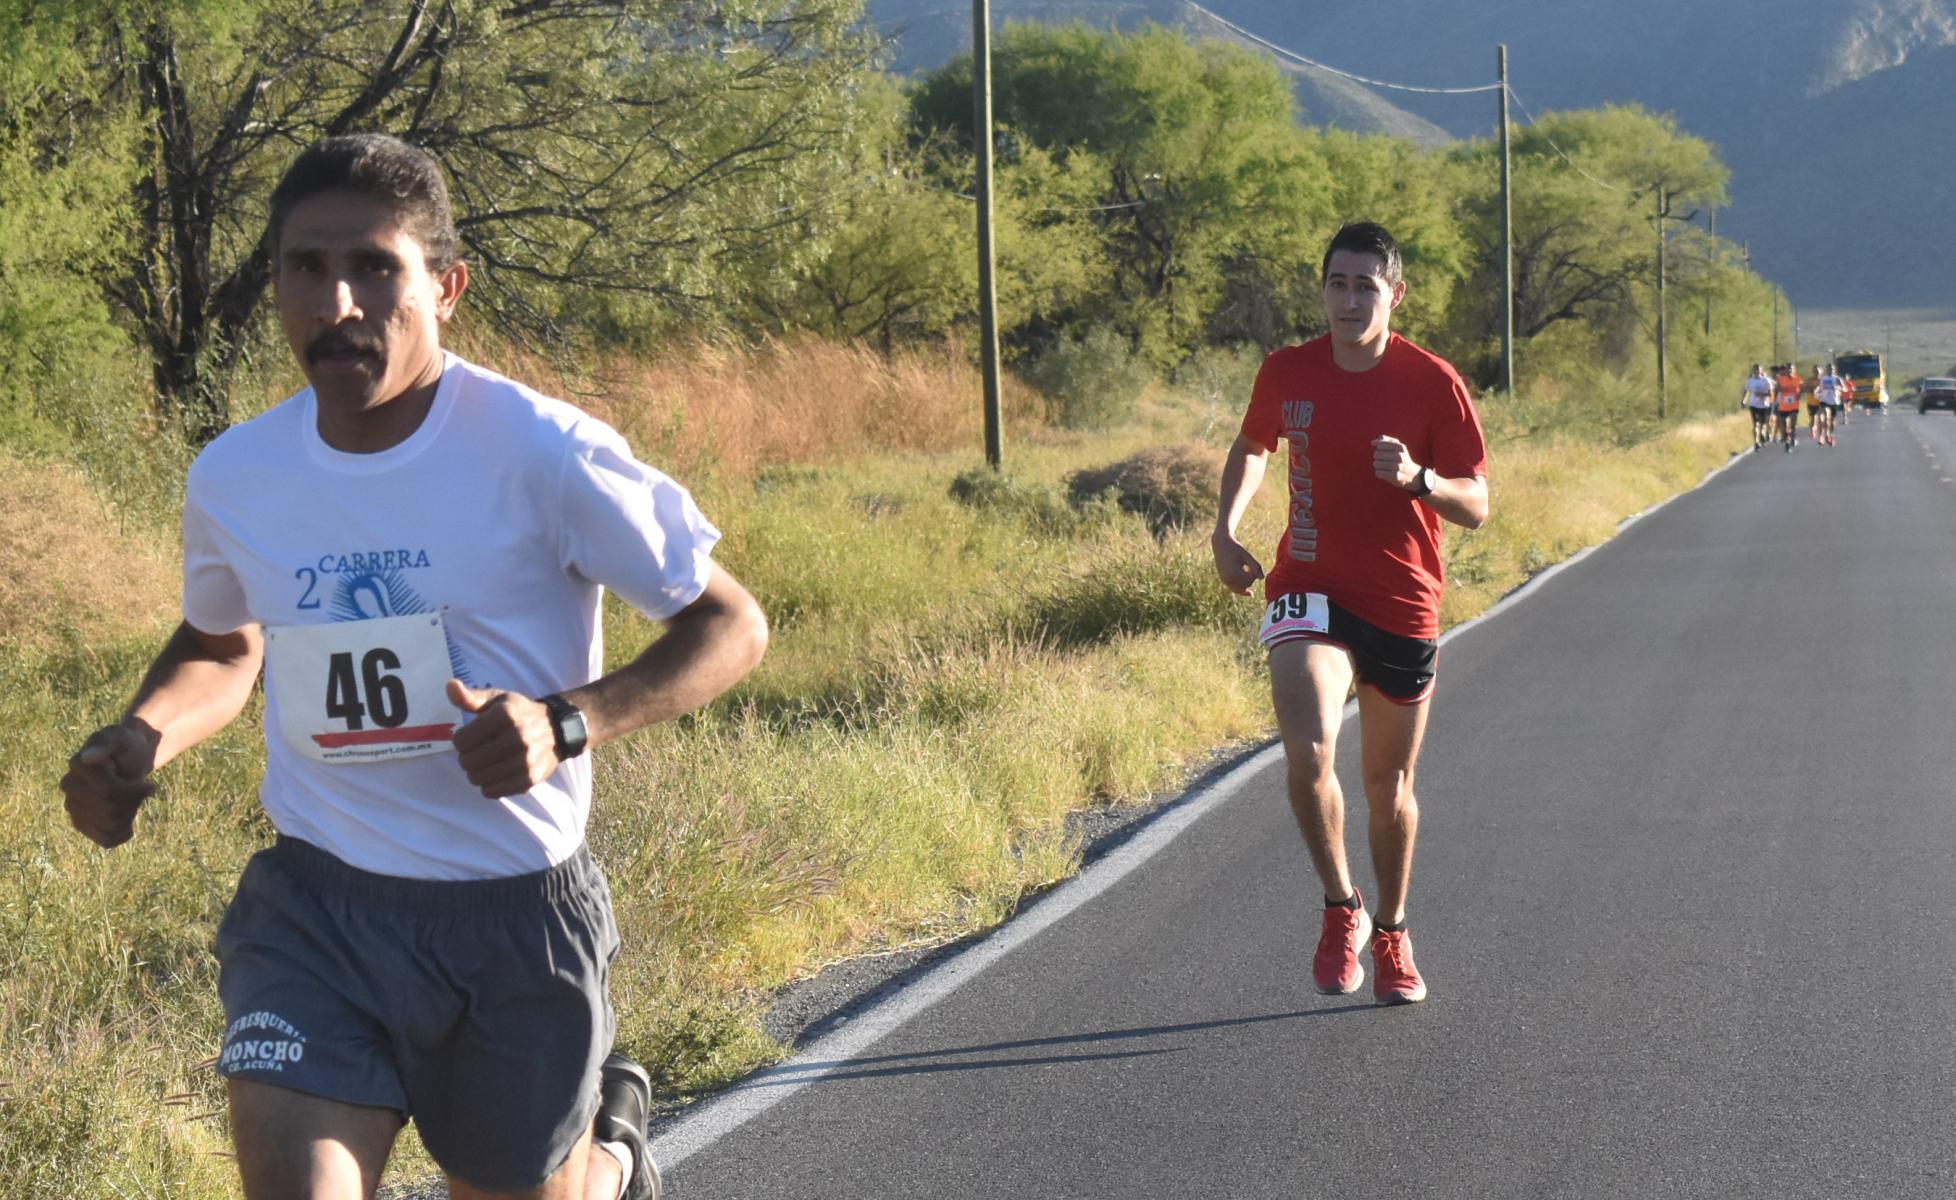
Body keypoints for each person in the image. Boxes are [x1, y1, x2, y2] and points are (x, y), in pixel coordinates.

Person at [57, 134, 769, 1200]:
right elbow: (222, 642)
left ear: (445, 285)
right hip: (317, 910)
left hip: (512, 919)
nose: (336, 301)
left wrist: (564, 722)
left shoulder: (546, 453)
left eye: (375, 267)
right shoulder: (239, 474)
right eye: (305, 267)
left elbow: (730, 627)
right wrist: (143, 736)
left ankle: (611, 1158)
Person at [1211, 221, 1489, 1006]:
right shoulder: (1287, 371)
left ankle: (1393, 929)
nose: (1348, 298)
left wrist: (1419, 479)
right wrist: (1225, 530)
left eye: (1366, 285)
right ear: (1322, 289)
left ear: (1395, 294)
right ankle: (1342, 907)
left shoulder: (1433, 382)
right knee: (1307, 751)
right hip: (1310, 588)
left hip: (1402, 599)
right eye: (1337, 282)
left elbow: (1477, 504)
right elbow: (1255, 445)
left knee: (1389, 787)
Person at [1743, 364, 1775, 450]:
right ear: (1753, 371)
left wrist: (1762, 395)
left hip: (1765, 405)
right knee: (1756, 424)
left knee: (1764, 424)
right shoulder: (1750, 381)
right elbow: (1746, 391)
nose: (1757, 371)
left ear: (1761, 371)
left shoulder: (1766, 380)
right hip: (1754, 405)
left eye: (1758, 370)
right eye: (1755, 370)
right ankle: (1756, 442)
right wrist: (1744, 401)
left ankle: (1762, 434)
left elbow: (1771, 394)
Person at [1813, 362, 1845, 446]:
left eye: (1832, 369)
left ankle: (1830, 435)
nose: (1830, 370)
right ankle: (1822, 437)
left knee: (1831, 422)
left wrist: (1838, 387)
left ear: (1834, 370)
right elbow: (1820, 387)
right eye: (1829, 369)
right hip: (1824, 401)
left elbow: (1845, 389)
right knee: (1823, 419)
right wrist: (1816, 392)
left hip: (1833, 402)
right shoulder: (1823, 378)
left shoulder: (1837, 379)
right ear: (1826, 370)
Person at [1774, 364, 1803, 451]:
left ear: (1794, 370)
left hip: (1794, 406)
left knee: (1791, 426)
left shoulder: (1798, 379)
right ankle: (1788, 440)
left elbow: (1802, 389)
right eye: (1788, 369)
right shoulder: (1781, 380)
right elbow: (1777, 389)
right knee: (1784, 427)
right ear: (1786, 370)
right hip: (1783, 407)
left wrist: (1799, 395)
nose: (1790, 370)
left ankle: (1789, 442)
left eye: (1791, 369)